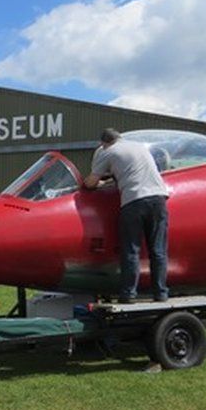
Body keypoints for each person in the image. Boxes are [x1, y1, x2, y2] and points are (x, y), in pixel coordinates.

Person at [84, 128, 170, 303]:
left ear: (104, 143)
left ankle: (129, 294)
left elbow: (91, 183)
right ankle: (161, 293)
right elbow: (133, 172)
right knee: (158, 251)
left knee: (131, 250)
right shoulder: (139, 147)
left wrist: (89, 183)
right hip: (159, 199)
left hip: (134, 201)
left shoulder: (107, 152)